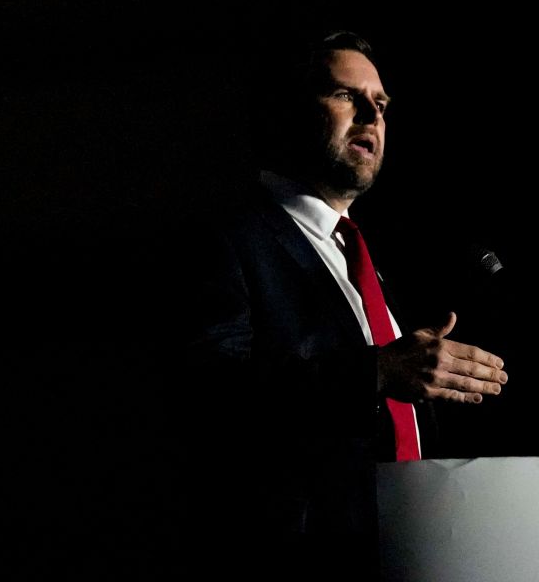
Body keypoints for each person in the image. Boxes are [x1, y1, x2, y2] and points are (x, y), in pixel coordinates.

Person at [173, 31, 509, 579]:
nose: (371, 117)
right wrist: (377, 371)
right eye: (345, 96)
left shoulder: (364, 257)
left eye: (380, 105)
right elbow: (210, 398)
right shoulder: (225, 240)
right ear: (286, 112)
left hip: (404, 549)